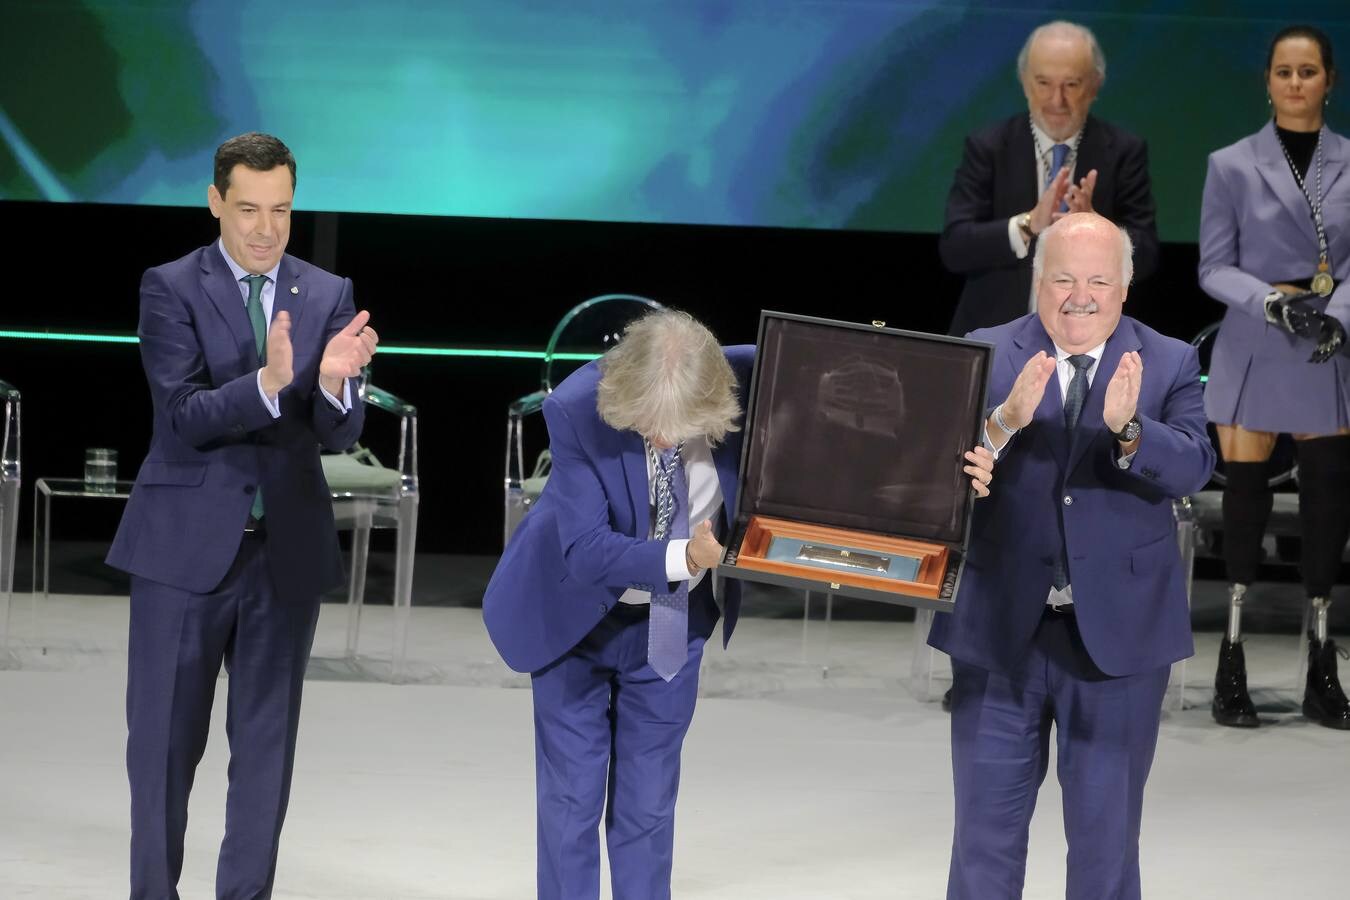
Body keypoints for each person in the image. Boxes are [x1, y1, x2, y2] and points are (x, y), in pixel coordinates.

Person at [106, 132, 378, 898]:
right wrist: (266, 383)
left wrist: (330, 386)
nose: (266, 228)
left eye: (282, 210)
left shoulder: (327, 293)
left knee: (265, 755)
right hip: (181, 554)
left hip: (283, 554)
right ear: (216, 202)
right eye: (250, 209)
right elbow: (185, 413)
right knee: (161, 750)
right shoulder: (169, 286)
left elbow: (341, 430)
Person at [929, 212, 1215, 899]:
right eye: (1061, 279)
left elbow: (1195, 466)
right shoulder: (988, 351)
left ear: (1124, 287)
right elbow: (935, 468)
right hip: (1001, 634)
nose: (1078, 296)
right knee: (983, 843)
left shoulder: (1168, 360)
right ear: (1037, 281)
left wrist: (1131, 431)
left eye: (1096, 280)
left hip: (1117, 644)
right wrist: (1004, 424)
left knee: (1105, 848)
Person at [482, 310, 748, 900]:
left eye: (675, 429)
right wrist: (688, 557)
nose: (659, 441)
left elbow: (826, 366)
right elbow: (586, 550)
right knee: (571, 802)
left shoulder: (748, 377)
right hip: (573, 619)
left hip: (672, 626)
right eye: (647, 426)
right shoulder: (576, 405)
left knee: (648, 805)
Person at [1199, 25, 1350, 731]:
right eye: (1284, 72)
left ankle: (1323, 663)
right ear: (1267, 82)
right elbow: (1213, 265)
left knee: (1325, 502)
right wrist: (1272, 302)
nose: (1295, 83)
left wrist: (1337, 315)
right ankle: (1231, 662)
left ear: (1329, 81)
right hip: (1259, 337)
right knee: (1246, 507)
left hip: (1328, 344)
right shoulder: (1230, 164)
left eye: (1308, 71)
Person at [939, 20, 1159, 337]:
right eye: (1043, 84)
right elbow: (955, 247)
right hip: (996, 337)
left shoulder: (1124, 151)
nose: (1056, 101)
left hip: (1092, 340)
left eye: (1071, 85)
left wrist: (1100, 228)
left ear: (1095, 85)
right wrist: (1028, 224)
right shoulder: (988, 146)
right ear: (1025, 83)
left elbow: (1148, 254)